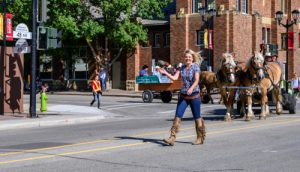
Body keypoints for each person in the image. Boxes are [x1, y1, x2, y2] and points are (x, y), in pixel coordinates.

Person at [159, 49, 205, 146]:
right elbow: (175, 78)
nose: (188, 58)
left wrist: (191, 88)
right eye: (186, 57)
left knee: (197, 117)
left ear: (192, 58)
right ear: (184, 58)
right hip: (183, 96)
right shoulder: (182, 68)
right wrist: (165, 73)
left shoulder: (196, 67)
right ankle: (172, 137)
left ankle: (200, 138)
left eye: (189, 57)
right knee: (177, 116)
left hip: (194, 96)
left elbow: (197, 80)